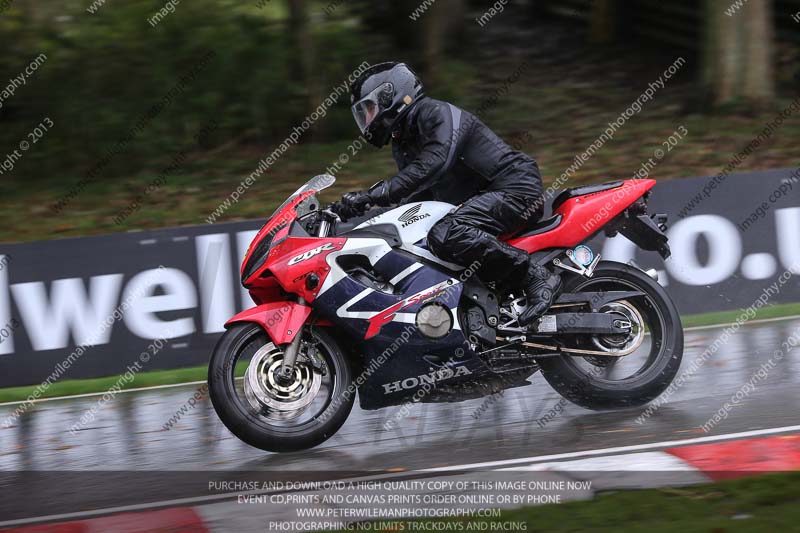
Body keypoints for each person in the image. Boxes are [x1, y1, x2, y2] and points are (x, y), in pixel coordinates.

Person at [336, 62, 561, 326]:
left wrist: (373, 194)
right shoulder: (403, 140)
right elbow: (415, 199)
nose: (367, 118)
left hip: (515, 188)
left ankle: (536, 277)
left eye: (370, 109)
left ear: (391, 95)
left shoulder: (435, 112)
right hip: (479, 200)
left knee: (448, 233)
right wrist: (356, 221)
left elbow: (433, 163)